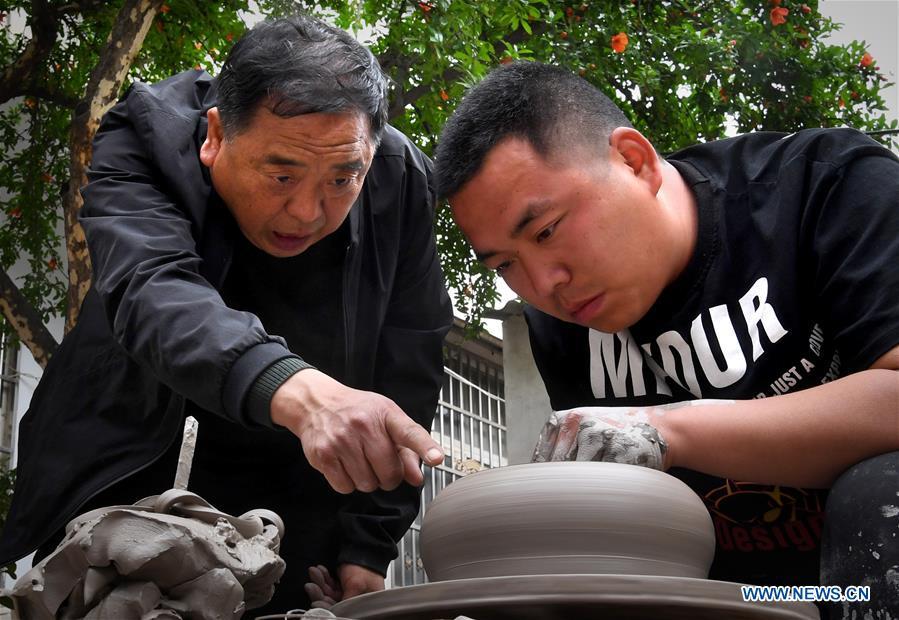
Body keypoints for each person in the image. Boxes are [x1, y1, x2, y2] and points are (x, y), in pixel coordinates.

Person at [0, 15, 453, 615]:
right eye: (282, 174)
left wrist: (368, 546)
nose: (307, 211)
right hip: (128, 486)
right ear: (215, 135)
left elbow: (409, 361)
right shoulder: (148, 134)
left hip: (296, 513)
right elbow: (153, 290)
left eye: (343, 179)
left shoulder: (399, 179)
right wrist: (302, 394)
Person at [436, 61, 899, 618]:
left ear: (635, 161)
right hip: (739, 602)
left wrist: (668, 428)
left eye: (547, 231)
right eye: (506, 264)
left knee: (879, 487)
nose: (542, 284)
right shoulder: (563, 323)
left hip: (856, 588)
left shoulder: (826, 186)